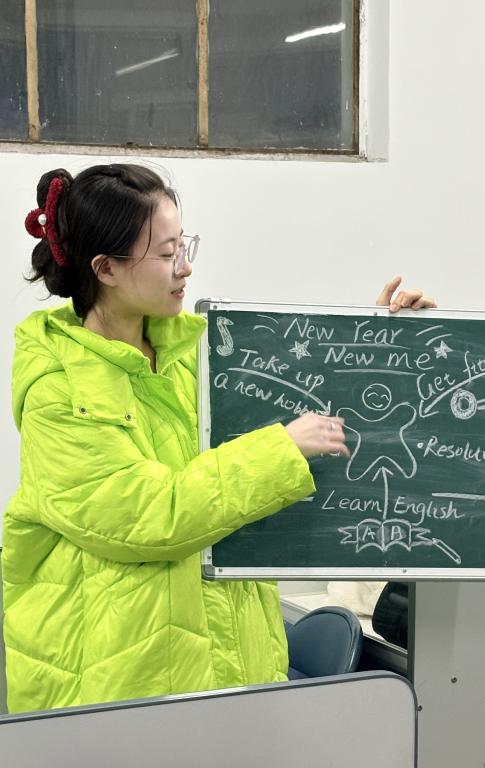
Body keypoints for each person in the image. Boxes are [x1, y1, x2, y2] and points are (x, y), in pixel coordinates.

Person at [2, 163, 437, 713]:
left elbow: (305, 414)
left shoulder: (198, 355)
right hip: (122, 685)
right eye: (166, 254)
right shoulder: (59, 391)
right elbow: (148, 516)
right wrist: (280, 449)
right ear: (106, 268)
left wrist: (380, 346)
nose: (185, 267)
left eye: (185, 245)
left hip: (234, 660)